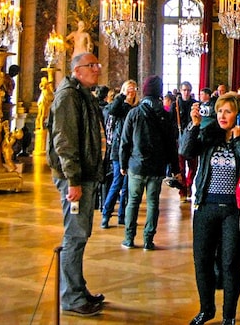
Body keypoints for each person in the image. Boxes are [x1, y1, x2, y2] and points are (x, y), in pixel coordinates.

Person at [181, 93, 240, 325]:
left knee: (230, 264)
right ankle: (206, 309)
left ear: (239, 114)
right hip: (206, 206)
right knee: (203, 261)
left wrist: (238, 139)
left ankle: (229, 315)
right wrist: (194, 126)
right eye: (219, 111)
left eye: (227, 111)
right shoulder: (209, 134)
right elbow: (187, 151)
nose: (222, 116)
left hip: (234, 211)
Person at [46, 52, 106, 316]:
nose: (98, 69)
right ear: (78, 70)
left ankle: (78, 289)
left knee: (80, 235)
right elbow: (65, 142)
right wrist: (73, 180)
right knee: (75, 236)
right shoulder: (68, 96)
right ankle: (71, 296)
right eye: (92, 65)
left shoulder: (81, 93)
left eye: (97, 64)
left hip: (84, 175)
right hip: (76, 178)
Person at [120, 74, 180, 250]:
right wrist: (175, 168)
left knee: (132, 202)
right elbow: (171, 144)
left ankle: (129, 239)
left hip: (136, 166)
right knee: (153, 203)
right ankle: (148, 241)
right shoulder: (165, 114)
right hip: (157, 167)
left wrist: (123, 164)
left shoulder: (134, 113)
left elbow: (125, 142)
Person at [101, 79, 137, 229]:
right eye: (128, 89)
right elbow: (113, 110)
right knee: (117, 182)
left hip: (132, 151)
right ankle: (106, 214)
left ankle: (122, 215)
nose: (131, 91)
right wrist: (123, 96)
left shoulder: (136, 108)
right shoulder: (120, 107)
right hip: (118, 150)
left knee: (127, 186)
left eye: (133, 89)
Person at [176, 81, 199, 202]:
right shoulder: (176, 105)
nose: (186, 92)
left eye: (188, 90)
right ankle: (182, 190)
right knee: (180, 169)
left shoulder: (195, 104)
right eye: (184, 90)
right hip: (179, 139)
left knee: (193, 167)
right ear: (180, 90)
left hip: (192, 139)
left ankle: (189, 184)